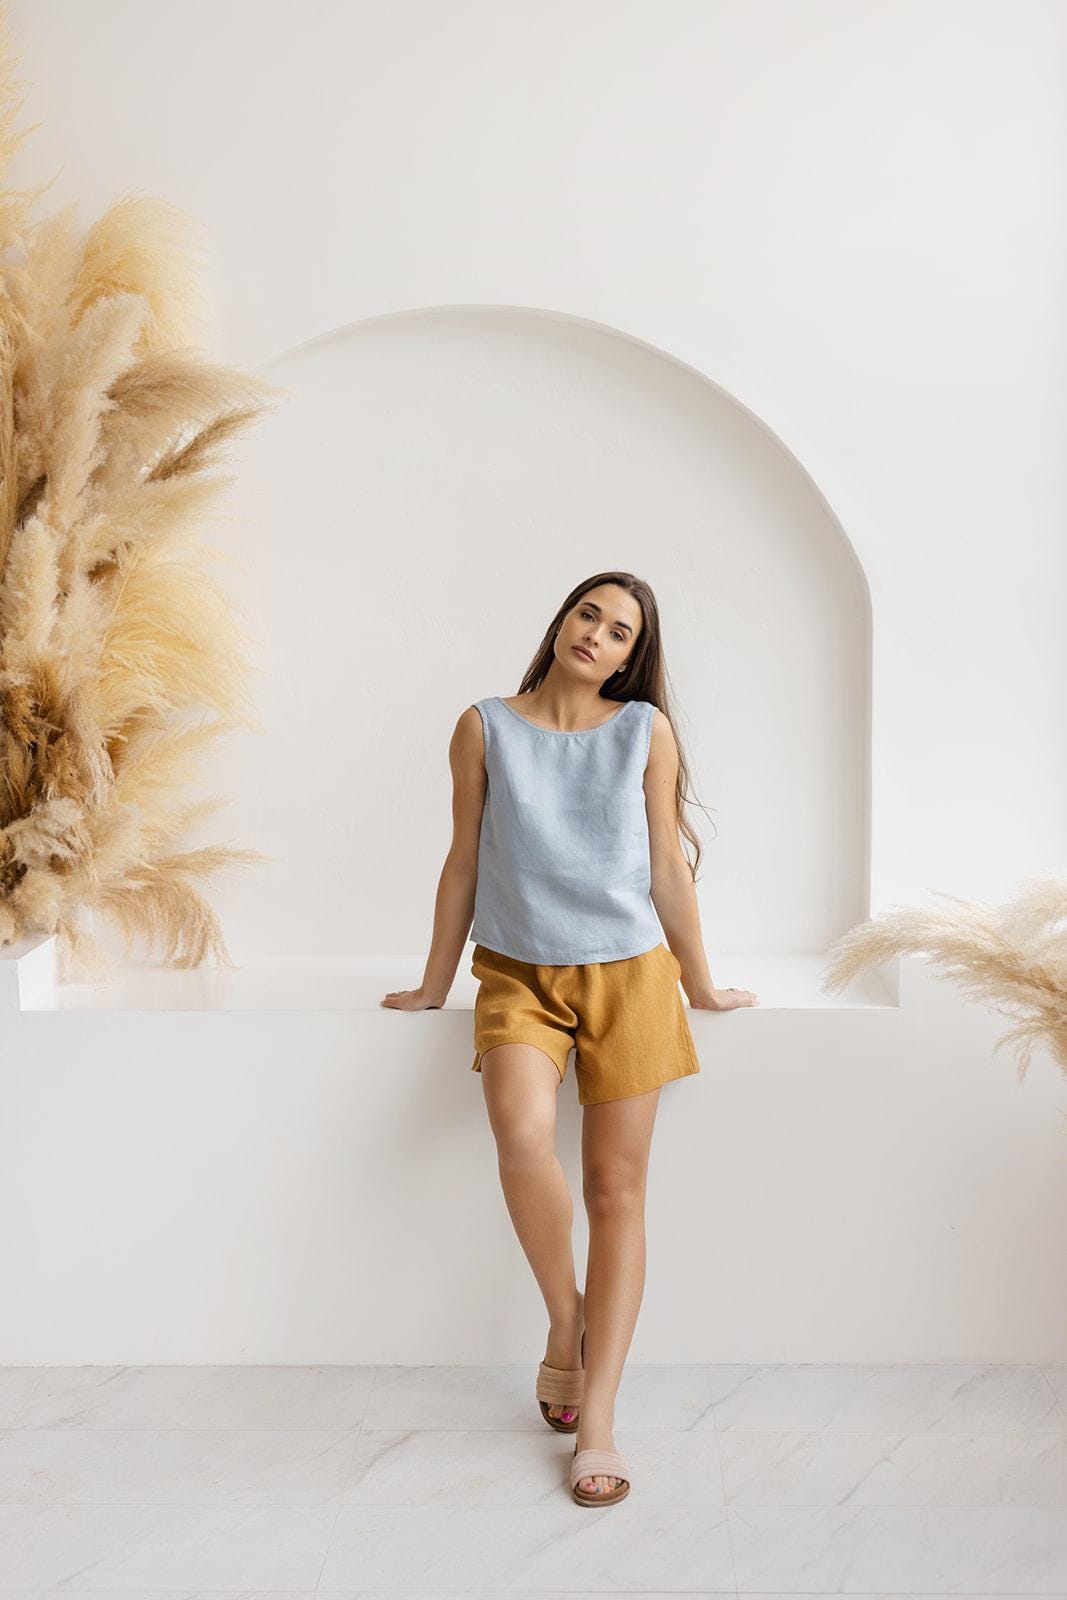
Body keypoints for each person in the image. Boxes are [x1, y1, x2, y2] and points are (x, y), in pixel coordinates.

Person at [382, 571, 758, 1506]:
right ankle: (566, 1327)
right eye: (588, 613)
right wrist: (434, 983)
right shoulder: (484, 725)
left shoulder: (642, 731)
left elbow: (666, 866)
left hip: (631, 976)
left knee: (614, 1188)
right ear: (560, 621)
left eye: (621, 631)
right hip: (516, 971)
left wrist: (700, 980)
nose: (598, 635)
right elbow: (463, 856)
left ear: (634, 657)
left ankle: (597, 1424)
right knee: (518, 1136)